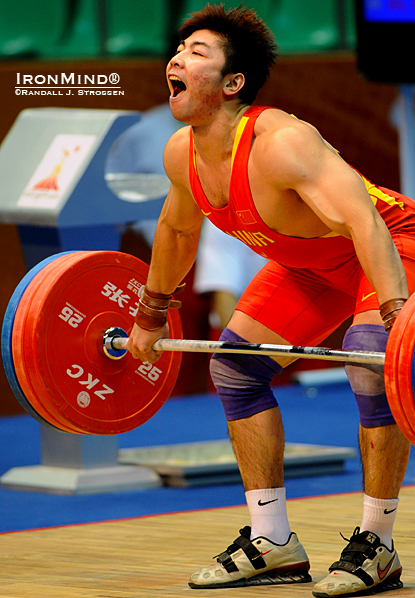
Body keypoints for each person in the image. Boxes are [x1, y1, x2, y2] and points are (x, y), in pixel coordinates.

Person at [127, 4, 415, 596]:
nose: (176, 58)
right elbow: (178, 232)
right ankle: (273, 542)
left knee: (368, 364)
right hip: (310, 264)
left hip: (390, 241)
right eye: (178, 49)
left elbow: (365, 225)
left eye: (197, 52)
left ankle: (377, 546)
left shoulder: (284, 141)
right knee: (235, 369)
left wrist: (395, 319)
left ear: (233, 84)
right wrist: (150, 312)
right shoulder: (182, 153)